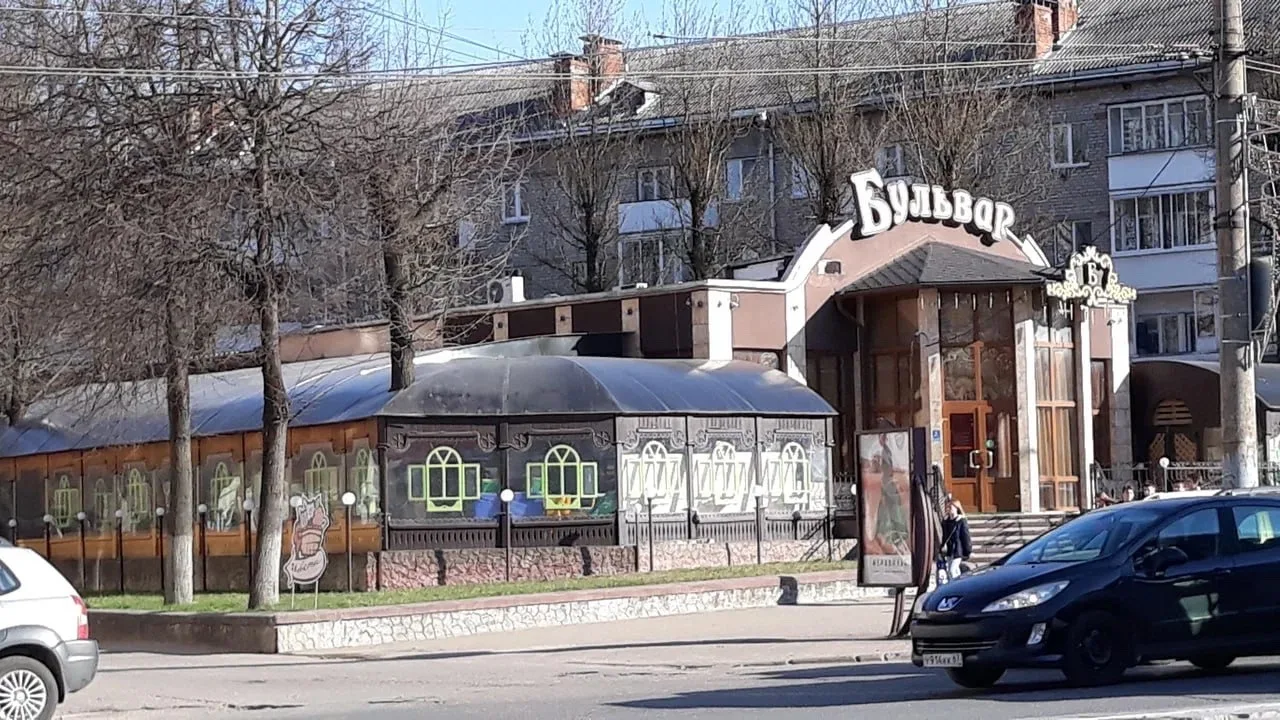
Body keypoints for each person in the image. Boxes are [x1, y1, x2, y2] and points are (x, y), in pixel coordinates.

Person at [936, 497, 972, 585]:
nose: (948, 509)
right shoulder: (946, 522)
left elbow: (965, 537)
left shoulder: (961, 521)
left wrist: (968, 551)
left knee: (952, 570)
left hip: (957, 550)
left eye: (950, 507)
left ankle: (956, 587)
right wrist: (942, 548)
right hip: (948, 550)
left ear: (956, 508)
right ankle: (960, 585)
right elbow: (944, 537)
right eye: (947, 507)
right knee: (952, 571)